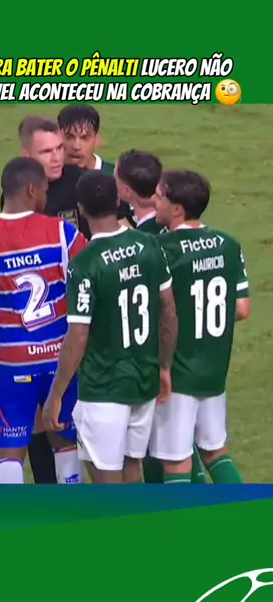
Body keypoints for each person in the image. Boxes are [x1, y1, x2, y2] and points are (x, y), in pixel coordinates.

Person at [0, 157, 88, 484]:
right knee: (65, 443)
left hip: (12, 364)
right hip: (59, 361)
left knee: (10, 452)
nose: (46, 195)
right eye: (44, 189)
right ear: (32, 190)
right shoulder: (63, 233)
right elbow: (89, 282)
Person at [42, 171, 178, 484]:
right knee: (132, 467)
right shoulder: (148, 245)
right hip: (143, 381)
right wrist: (164, 366)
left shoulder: (84, 263)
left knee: (107, 478)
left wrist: (56, 395)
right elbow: (169, 311)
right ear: (117, 201)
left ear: (81, 209)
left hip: (104, 388)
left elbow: (78, 335)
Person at [148, 170, 250, 483]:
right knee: (215, 452)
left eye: (159, 196)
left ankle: (184, 518)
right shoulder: (228, 244)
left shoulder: (162, 250)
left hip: (177, 372)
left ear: (177, 208)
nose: (154, 201)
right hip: (214, 370)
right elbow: (242, 308)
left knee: (176, 462)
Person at [115, 149, 206, 484]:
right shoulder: (169, 229)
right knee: (168, 444)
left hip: (156, 353)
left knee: (168, 446)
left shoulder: (144, 241)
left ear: (126, 192)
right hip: (185, 349)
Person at [57, 104, 135, 224]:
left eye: (84, 138)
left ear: (97, 139)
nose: (76, 146)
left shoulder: (116, 178)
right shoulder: (48, 178)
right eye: (69, 137)